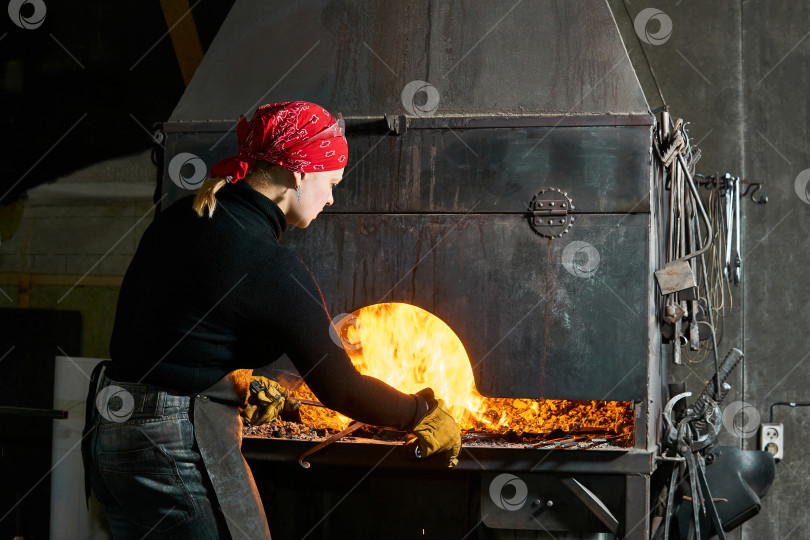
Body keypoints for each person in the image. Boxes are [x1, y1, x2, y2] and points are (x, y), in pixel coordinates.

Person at [81, 101, 461, 540]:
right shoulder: (270, 266)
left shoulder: (184, 216)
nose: (332, 198)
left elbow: (173, 336)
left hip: (112, 435)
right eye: (331, 182)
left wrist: (235, 383)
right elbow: (342, 388)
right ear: (299, 174)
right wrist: (420, 412)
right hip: (169, 445)